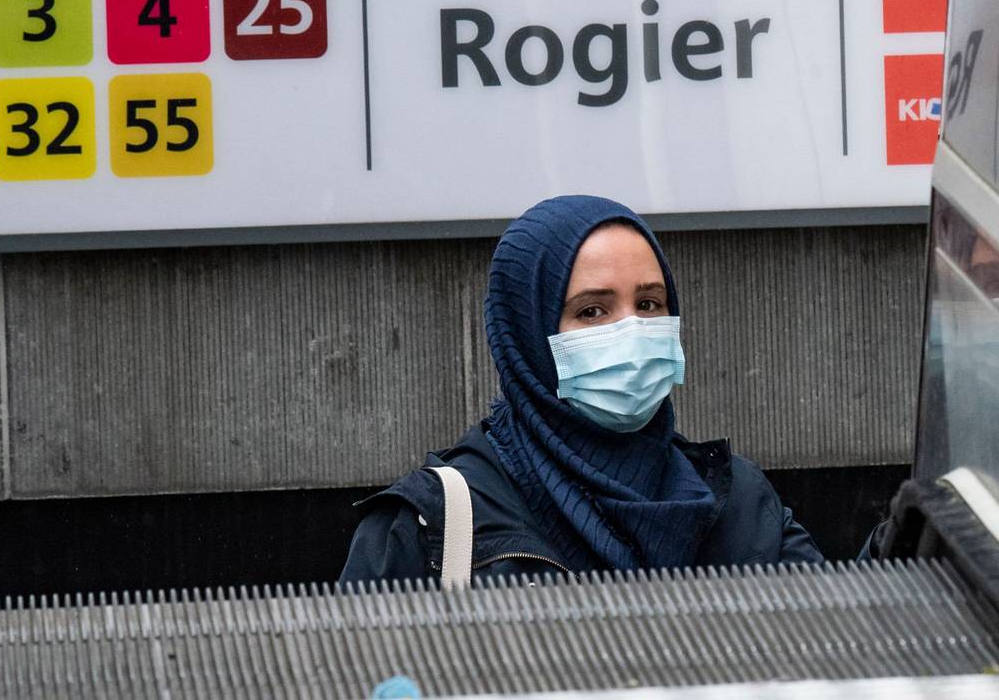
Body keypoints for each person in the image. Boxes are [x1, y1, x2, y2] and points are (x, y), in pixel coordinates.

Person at [340, 195, 822, 584]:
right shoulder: (433, 526)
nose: (633, 331)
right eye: (592, 311)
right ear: (526, 337)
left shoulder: (739, 502)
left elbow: (842, 649)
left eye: (650, 303)